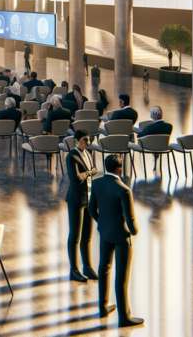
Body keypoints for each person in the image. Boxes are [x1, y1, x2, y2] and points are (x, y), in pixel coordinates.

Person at [89, 155, 142, 327]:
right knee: (121, 278)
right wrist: (135, 231)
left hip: (105, 233)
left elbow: (91, 209)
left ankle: (103, 307)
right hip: (122, 238)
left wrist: (103, 222)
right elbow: (131, 220)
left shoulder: (97, 183)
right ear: (119, 170)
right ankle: (124, 317)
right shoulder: (124, 190)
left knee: (104, 268)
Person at [65, 130, 98, 283]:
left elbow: (93, 172)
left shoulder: (88, 154)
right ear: (77, 140)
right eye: (85, 140)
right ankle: (74, 269)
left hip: (88, 198)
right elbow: (76, 179)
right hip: (76, 200)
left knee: (87, 236)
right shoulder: (71, 156)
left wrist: (89, 172)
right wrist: (89, 172)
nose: (88, 142)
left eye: (88, 140)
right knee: (75, 236)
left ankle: (87, 266)